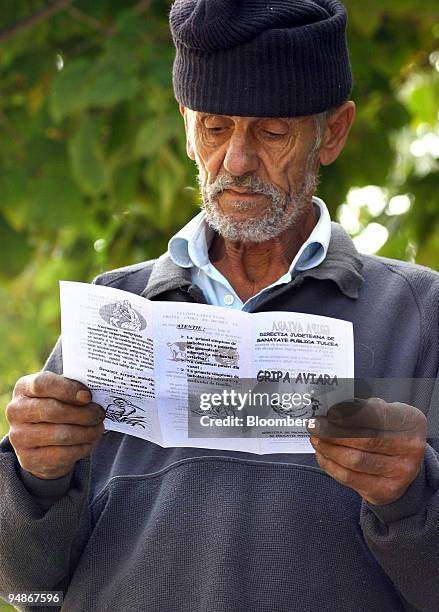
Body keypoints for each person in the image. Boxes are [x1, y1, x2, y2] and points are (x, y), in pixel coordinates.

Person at [1, 1, 439, 610]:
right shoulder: (111, 309)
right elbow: (27, 589)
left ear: (332, 133)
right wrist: (33, 479)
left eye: (273, 132)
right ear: (186, 126)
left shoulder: (419, 314)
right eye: (214, 127)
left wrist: (409, 499)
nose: (235, 162)